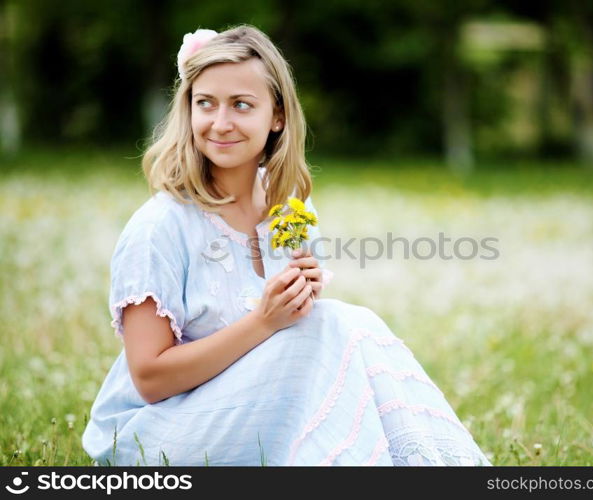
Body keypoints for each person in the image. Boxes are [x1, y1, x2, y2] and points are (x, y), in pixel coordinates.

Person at [82, 24, 491, 466]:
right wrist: (265, 321)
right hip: (157, 431)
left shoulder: (288, 204)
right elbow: (150, 379)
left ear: (277, 116)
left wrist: (300, 298)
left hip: (246, 410)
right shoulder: (160, 226)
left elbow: (292, 350)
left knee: (345, 323)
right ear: (189, 110)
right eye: (206, 104)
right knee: (328, 326)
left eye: (241, 105)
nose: (220, 123)